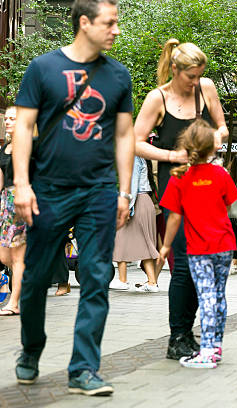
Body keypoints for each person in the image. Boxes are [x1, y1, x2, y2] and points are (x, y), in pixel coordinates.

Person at [12, 0, 134, 395]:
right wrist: (22, 184)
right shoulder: (42, 68)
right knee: (34, 277)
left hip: (99, 190)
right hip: (48, 188)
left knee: (97, 276)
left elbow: (123, 137)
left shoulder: (118, 75)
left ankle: (84, 369)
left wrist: (124, 190)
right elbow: (23, 127)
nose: (116, 29)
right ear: (85, 23)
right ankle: (31, 350)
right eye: (109, 22)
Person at [134, 39, 228, 360]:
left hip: (206, 187)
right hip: (177, 188)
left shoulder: (207, 88)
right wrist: (172, 154)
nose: (194, 83)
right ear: (175, 69)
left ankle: (186, 332)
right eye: (190, 77)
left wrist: (218, 136)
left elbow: (223, 126)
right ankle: (178, 335)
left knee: (203, 266)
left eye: (199, 76)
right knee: (185, 266)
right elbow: (135, 142)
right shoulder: (157, 98)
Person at [158, 119, 237, 368]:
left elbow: (174, 218)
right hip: (224, 244)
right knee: (218, 297)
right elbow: (228, 204)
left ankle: (207, 352)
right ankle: (216, 347)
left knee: (206, 298)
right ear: (211, 148)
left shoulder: (179, 177)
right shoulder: (221, 174)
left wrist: (165, 246)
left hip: (199, 249)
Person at [110, 156, 160, 292]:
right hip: (143, 201)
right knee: (145, 242)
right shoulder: (140, 158)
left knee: (121, 237)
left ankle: (123, 280)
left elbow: (133, 184)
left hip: (137, 201)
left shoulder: (134, 158)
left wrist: (127, 207)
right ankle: (151, 282)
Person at [0, 106, 27, 316]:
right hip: (5, 203)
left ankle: (14, 302)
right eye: (6, 118)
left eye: (12, 118)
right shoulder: (5, 148)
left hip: (21, 202)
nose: (7, 122)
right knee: (4, 256)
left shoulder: (28, 145)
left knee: (17, 258)